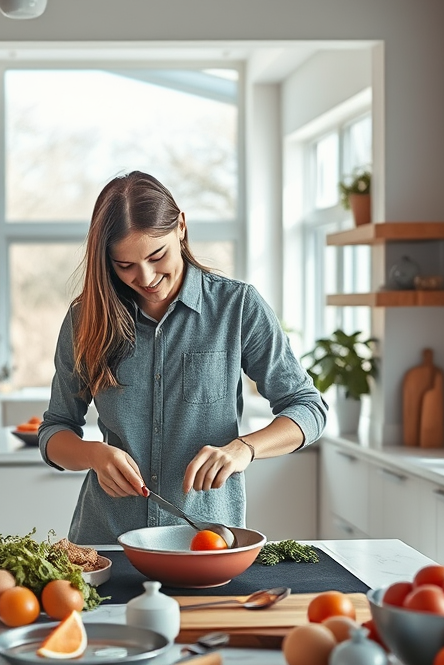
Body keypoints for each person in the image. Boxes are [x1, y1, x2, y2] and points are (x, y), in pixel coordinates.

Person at [38, 171, 327, 545]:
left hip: (205, 542)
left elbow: (308, 408)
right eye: (124, 265)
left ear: (181, 228)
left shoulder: (236, 307)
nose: (145, 277)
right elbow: (54, 430)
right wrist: (92, 454)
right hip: (108, 542)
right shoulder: (85, 320)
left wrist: (245, 449)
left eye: (157, 255)